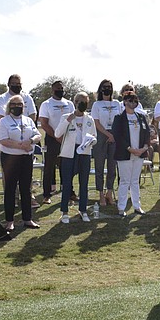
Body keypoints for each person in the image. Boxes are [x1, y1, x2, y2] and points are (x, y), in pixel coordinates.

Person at [0, 95, 41, 231]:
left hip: (26, 158)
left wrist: (31, 141)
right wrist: (21, 145)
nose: (18, 107)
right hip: (10, 157)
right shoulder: (4, 121)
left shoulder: (28, 120)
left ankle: (27, 218)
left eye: (20, 104)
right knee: (10, 188)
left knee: (26, 188)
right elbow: (3, 140)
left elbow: (38, 135)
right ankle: (10, 220)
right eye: (15, 104)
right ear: (10, 106)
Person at [56, 92, 97, 223]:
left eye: (85, 101)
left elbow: (94, 136)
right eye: (79, 101)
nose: (82, 104)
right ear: (74, 102)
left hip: (84, 152)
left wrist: (91, 141)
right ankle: (64, 212)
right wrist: (69, 119)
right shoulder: (66, 117)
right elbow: (57, 133)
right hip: (69, 153)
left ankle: (83, 210)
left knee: (83, 183)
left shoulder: (89, 119)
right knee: (67, 183)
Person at [112, 91, 151, 217]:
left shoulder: (141, 117)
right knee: (124, 181)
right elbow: (118, 135)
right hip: (125, 154)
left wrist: (144, 147)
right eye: (130, 100)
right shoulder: (119, 118)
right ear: (124, 102)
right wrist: (130, 149)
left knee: (135, 181)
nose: (133, 103)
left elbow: (147, 134)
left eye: (135, 100)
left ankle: (137, 206)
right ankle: (121, 207)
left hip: (139, 153)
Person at [37, 81, 74, 205]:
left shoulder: (69, 103)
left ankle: (69, 192)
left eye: (62, 88)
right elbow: (44, 123)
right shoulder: (46, 104)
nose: (60, 90)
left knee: (67, 166)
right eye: (58, 88)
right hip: (52, 139)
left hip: (67, 139)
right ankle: (47, 194)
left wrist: (65, 137)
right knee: (49, 167)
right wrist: (56, 136)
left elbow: (73, 120)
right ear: (52, 90)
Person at [91, 79, 122, 207]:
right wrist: (107, 134)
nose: (107, 89)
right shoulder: (96, 105)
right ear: (100, 89)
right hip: (101, 135)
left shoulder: (117, 103)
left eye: (109, 87)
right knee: (99, 166)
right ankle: (100, 194)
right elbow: (96, 122)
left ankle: (109, 192)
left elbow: (120, 119)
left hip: (114, 136)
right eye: (105, 87)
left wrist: (113, 134)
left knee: (112, 167)